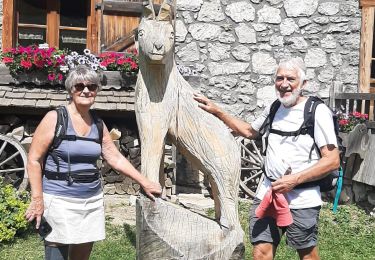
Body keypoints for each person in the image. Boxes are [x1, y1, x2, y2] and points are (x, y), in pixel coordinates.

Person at [194, 57, 339, 260]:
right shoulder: (274, 107)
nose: (284, 84)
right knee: (261, 252)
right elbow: (249, 131)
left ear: (303, 84)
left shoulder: (317, 111)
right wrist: (218, 111)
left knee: (307, 255)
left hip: (302, 198)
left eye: (290, 78)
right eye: (279, 78)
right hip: (268, 193)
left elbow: (332, 160)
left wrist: (294, 180)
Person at [25, 65, 161, 260]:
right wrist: (37, 200)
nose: (86, 90)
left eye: (92, 86)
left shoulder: (97, 123)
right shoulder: (55, 118)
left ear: (97, 90)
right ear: (70, 90)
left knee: (82, 255)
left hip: (90, 201)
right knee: (56, 253)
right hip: (59, 199)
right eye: (79, 86)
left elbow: (114, 157)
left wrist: (144, 182)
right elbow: (34, 160)